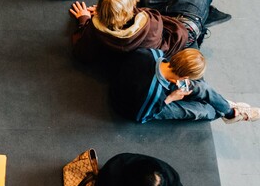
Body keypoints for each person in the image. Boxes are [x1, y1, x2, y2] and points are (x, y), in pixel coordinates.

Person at [70, 0, 231, 63]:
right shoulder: (150, 24)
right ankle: (201, 15)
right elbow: (181, 34)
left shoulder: (95, 31)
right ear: (132, 10)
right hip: (182, 25)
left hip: (160, 14)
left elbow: (81, 49)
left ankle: (185, 1)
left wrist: (84, 19)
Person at [109, 47, 260, 123]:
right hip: (135, 105)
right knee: (202, 111)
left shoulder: (153, 53)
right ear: (185, 76)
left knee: (202, 88)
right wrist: (170, 99)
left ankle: (230, 112)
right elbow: (142, 117)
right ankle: (223, 111)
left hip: (144, 82)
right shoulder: (154, 94)